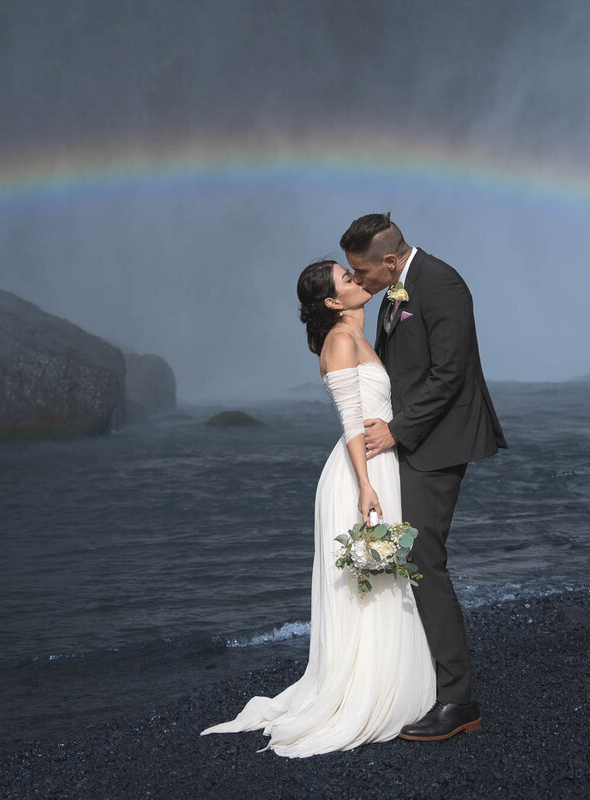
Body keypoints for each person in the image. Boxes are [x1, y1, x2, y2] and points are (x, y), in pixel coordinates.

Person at [200, 259, 435, 757]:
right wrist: (365, 486)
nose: (357, 279)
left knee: (383, 579)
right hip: (362, 472)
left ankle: (390, 679)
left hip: (377, 464)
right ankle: (367, 690)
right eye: (347, 279)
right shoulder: (341, 342)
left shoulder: (358, 333)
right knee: (372, 582)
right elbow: (352, 421)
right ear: (332, 301)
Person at [341, 212, 506, 742]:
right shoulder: (398, 287)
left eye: (362, 272)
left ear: (390, 260)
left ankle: (459, 700)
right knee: (413, 556)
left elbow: (450, 373)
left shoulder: (441, 283)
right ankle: (427, 681)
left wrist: (396, 430)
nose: (360, 281)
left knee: (423, 559)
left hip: (437, 443)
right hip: (412, 440)